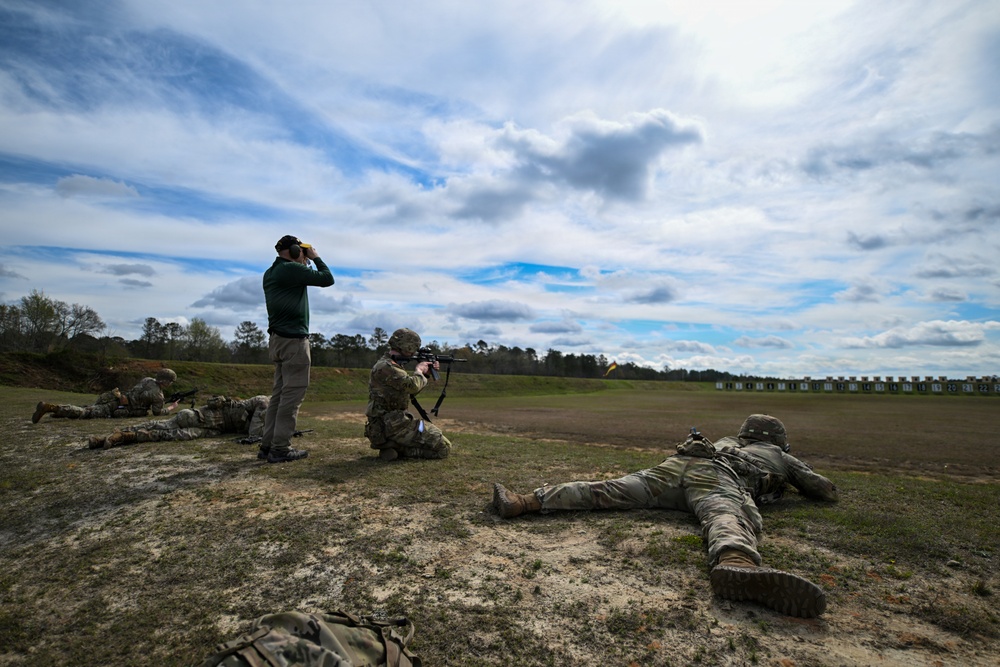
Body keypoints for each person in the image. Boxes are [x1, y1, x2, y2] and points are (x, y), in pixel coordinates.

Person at [492, 414, 838, 618]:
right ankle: (737, 563)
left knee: (608, 489)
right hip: (714, 478)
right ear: (779, 439)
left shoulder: (724, 439)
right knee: (723, 512)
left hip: (676, 467)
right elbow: (823, 490)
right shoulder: (776, 452)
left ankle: (522, 502)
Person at [258, 234, 334, 464]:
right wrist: (316, 257)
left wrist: (304, 259)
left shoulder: (272, 272)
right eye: (302, 251)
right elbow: (327, 278)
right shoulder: (290, 270)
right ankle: (280, 449)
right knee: (291, 397)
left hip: (278, 340)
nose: (305, 254)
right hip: (293, 342)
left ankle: (267, 445)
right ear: (293, 250)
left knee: (279, 396)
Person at [364, 328, 452, 461]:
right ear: (407, 347)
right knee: (443, 447)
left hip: (389, 425)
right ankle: (400, 449)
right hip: (394, 426)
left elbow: (408, 389)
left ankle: (393, 447)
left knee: (425, 428)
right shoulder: (387, 367)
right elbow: (413, 386)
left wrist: (426, 374)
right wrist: (419, 370)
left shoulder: (390, 364)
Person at [89, 395, 269, 449]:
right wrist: (258, 431)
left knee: (170, 435)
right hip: (199, 417)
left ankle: (126, 436)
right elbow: (256, 428)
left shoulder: (267, 418)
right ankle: (109, 436)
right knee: (162, 425)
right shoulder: (264, 402)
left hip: (213, 429)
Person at [32, 369, 180, 423]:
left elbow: (141, 394)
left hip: (117, 397)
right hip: (122, 407)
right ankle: (50, 407)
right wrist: (171, 408)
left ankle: (58, 412)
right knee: (87, 413)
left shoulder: (147, 380)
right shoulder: (158, 395)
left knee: (90, 408)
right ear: (166, 382)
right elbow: (156, 412)